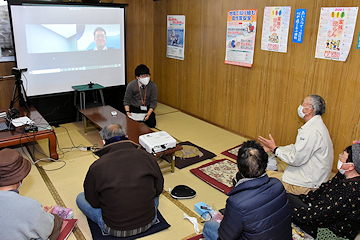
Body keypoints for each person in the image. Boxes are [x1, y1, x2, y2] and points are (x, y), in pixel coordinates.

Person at [76, 123, 164, 237]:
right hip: (149, 221)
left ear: (103, 142)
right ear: (126, 136)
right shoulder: (147, 156)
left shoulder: (96, 167)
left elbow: (94, 202)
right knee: (154, 193)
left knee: (80, 197)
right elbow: (158, 189)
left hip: (115, 228)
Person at [202, 140, 292, 240]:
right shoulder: (277, 184)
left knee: (209, 226)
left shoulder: (236, 202)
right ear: (266, 166)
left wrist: (227, 221)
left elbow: (225, 237)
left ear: (238, 169)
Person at [258, 94, 334, 195]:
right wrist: (275, 149)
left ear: (310, 109)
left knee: (260, 176)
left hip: (307, 184)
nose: (300, 105)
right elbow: (296, 148)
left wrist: (275, 149)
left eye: (303, 103)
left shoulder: (311, 131)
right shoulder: (316, 125)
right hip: (313, 173)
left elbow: (295, 159)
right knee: (279, 160)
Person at [288, 143, 360, 240]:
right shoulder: (343, 175)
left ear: (351, 166)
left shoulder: (352, 191)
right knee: (285, 197)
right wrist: (302, 199)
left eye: (342, 156)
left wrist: (290, 213)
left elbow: (321, 215)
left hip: (329, 230)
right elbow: (322, 190)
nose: (340, 158)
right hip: (317, 211)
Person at [0, 148, 62, 240]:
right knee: (56, 220)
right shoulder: (28, 205)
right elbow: (47, 229)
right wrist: (47, 216)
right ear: (20, 177)